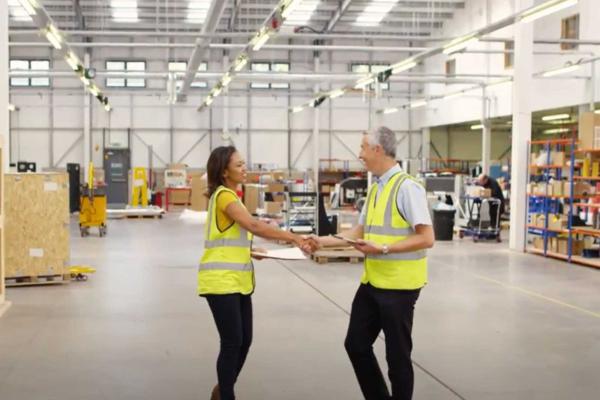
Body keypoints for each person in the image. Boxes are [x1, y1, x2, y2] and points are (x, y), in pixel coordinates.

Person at [313, 127, 434, 400]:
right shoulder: (376, 188)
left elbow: (427, 237)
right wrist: (320, 241)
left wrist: (384, 248)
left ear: (378, 149)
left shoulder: (407, 188)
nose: (360, 154)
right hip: (373, 283)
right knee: (355, 344)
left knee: (397, 358)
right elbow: (358, 233)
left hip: (400, 287)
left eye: (363, 148)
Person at [199, 146, 318, 400]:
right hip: (221, 283)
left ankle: (222, 390)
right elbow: (253, 224)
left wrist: (251, 250)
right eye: (239, 165)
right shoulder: (224, 197)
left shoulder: (232, 197)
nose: (245, 168)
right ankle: (226, 395)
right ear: (224, 172)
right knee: (232, 343)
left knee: (245, 341)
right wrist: (293, 238)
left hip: (238, 281)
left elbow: (229, 236)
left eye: (244, 164)